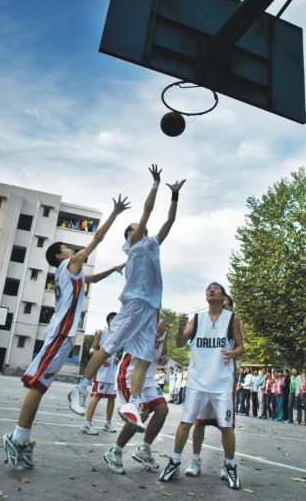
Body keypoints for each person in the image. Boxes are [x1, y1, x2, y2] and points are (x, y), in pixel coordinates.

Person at [2, 194, 130, 471]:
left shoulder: (72, 272)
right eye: (67, 247)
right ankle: (17, 437)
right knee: (37, 385)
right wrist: (115, 213)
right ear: (60, 256)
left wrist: (115, 268)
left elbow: (92, 278)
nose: (72, 249)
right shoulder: (68, 265)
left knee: (41, 386)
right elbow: (96, 241)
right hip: (60, 333)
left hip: (64, 335)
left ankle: (22, 436)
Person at [69, 165, 186, 430]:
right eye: (135, 228)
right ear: (130, 235)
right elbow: (147, 211)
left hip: (150, 308)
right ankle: (81, 388)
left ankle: (133, 401)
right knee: (109, 347)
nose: (141, 227)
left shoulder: (153, 242)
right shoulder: (133, 244)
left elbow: (170, 221)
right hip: (134, 303)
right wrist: (155, 184)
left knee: (145, 357)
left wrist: (175, 195)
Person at [159, 282, 244, 490]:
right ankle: (175, 460)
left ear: (223, 296)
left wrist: (233, 353)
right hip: (197, 382)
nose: (211, 290)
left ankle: (230, 465)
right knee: (187, 422)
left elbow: (242, 347)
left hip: (221, 382)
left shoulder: (232, 319)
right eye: (208, 289)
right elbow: (180, 343)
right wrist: (180, 327)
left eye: (215, 288)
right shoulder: (197, 319)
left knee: (226, 427)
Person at [104, 319, 169, 474]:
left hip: (149, 378)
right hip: (129, 374)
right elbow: (135, 345)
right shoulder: (141, 321)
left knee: (162, 410)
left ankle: (143, 449)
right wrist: (156, 333)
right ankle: (115, 451)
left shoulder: (164, 327)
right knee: (142, 413)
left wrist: (163, 359)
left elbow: (163, 354)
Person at [81, 312, 119, 435]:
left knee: (112, 399)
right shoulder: (102, 333)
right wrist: (101, 359)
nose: (114, 320)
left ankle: (108, 423)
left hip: (112, 373)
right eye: (112, 318)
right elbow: (92, 350)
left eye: (116, 319)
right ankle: (87, 423)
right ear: (108, 321)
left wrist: (117, 358)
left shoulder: (118, 335)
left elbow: (114, 352)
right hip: (101, 372)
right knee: (96, 396)